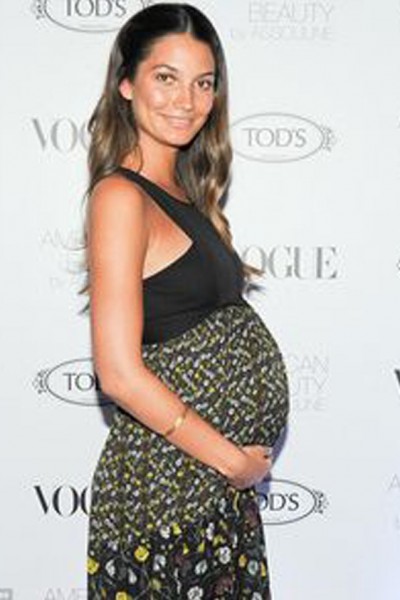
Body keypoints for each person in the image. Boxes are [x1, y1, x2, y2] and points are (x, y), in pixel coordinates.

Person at [80, 3, 289, 598]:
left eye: (203, 83)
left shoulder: (185, 192)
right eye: (166, 77)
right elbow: (119, 374)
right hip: (166, 499)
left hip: (209, 494)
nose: (187, 101)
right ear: (126, 83)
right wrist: (232, 461)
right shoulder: (120, 197)